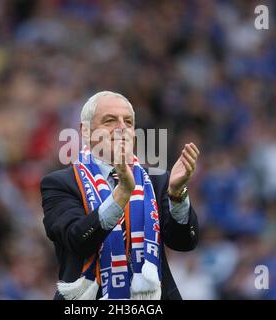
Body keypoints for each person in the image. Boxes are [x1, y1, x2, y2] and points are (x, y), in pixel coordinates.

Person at [41, 91, 200, 300]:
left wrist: (177, 195)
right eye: (109, 121)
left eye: (128, 122)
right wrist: (121, 194)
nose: (121, 128)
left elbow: (184, 242)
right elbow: (77, 241)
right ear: (86, 131)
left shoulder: (158, 181)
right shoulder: (60, 183)